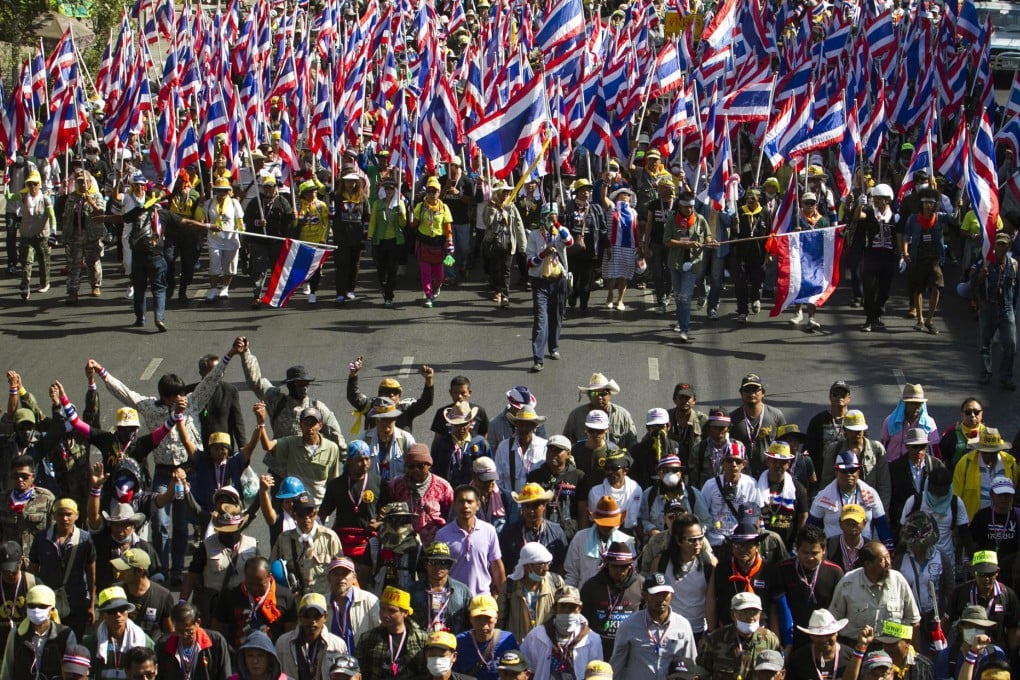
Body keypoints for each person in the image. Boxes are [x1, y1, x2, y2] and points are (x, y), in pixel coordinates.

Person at [89, 338, 241, 585]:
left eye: (182, 394)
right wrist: (102, 372)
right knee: (160, 521)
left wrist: (230, 353)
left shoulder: (193, 402)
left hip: (189, 473)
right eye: (176, 396)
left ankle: (178, 571)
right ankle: (159, 568)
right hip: (163, 474)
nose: (181, 398)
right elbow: (125, 392)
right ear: (165, 397)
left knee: (182, 525)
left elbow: (211, 380)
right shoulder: (150, 408)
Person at [828, 541, 921, 645]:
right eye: (882, 559)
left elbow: (913, 620)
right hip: (856, 645)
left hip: (891, 647)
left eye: (888, 557)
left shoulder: (898, 580)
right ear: (868, 564)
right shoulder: (848, 583)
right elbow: (833, 621)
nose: (888, 563)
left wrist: (913, 648)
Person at [180, 504, 260, 626]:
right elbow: (192, 576)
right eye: (225, 531)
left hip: (243, 605)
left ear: (240, 528)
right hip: (213, 607)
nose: (229, 534)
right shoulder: (206, 546)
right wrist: (182, 603)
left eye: (233, 530)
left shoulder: (252, 545)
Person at [767, 525, 843, 650]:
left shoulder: (835, 572)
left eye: (815, 553)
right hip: (791, 639)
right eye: (805, 552)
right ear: (797, 550)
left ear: (824, 550)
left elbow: (840, 610)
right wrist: (777, 641)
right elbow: (774, 609)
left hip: (823, 639)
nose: (810, 557)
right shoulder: (782, 569)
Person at [28, 499, 96, 638]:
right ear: (54, 515)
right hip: (47, 601)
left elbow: (92, 574)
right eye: (60, 514)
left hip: (76, 601)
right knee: (49, 639)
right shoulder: (42, 538)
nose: (64, 518)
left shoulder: (85, 539)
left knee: (74, 640)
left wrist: (91, 605)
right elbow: (32, 570)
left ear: (76, 515)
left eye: (68, 514)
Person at [609, 573, 697, 679]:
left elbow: (690, 665)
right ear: (644, 595)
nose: (661, 599)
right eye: (656, 594)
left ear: (671, 595)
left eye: (665, 594)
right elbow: (617, 665)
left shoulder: (683, 625)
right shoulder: (629, 625)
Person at [318, 442, 383, 586]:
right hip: (342, 543)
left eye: (367, 459)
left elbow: (389, 514)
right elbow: (322, 514)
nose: (364, 463)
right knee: (343, 581)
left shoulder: (378, 483)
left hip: (367, 543)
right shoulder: (336, 485)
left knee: (363, 584)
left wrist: (378, 523)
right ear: (349, 461)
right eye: (359, 460)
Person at [259, 404, 343, 507]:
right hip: (295, 508)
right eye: (306, 424)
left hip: (318, 508)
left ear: (320, 426)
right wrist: (261, 423)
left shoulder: (332, 448)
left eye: (313, 424)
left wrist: (329, 506)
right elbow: (268, 446)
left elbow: (333, 481)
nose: (309, 428)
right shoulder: (291, 443)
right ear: (300, 425)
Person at [212, 556, 299, 651]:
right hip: (237, 654)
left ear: (269, 577)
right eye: (250, 584)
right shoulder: (231, 594)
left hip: (274, 654)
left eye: (260, 585)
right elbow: (217, 628)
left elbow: (290, 635)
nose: (254, 588)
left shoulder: (285, 596)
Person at [519, 585, 603, 680]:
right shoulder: (536, 636)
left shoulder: (592, 639)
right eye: (563, 606)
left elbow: (596, 674)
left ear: (579, 608)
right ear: (555, 607)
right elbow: (525, 669)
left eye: (572, 607)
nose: (567, 611)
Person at [817, 410, 892, 515]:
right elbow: (826, 483)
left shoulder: (877, 449)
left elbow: (884, 486)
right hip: (840, 508)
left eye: (859, 430)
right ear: (845, 430)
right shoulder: (833, 450)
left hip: (869, 508)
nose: (856, 433)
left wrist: (881, 513)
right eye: (852, 430)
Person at [808, 451, 892, 545]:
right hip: (833, 549)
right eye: (844, 471)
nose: (848, 474)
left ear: (858, 472)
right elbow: (811, 527)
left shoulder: (871, 494)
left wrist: (889, 547)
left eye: (852, 470)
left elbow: (882, 525)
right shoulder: (823, 496)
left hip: (863, 549)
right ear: (836, 472)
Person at [436, 485, 506, 597]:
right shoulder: (443, 534)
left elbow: (496, 565)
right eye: (461, 501)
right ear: (454, 505)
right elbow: (437, 570)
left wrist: (502, 597)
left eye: (470, 502)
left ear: (477, 505)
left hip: (482, 598)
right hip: (453, 598)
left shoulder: (489, 531)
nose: (465, 506)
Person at [526, 204, 573, 371]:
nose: (550, 219)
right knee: (541, 319)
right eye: (548, 216)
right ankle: (538, 359)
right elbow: (529, 262)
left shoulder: (561, 231)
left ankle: (553, 346)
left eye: (554, 216)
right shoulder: (534, 235)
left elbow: (569, 241)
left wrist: (558, 225)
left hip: (559, 280)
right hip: (540, 281)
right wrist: (542, 255)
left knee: (557, 315)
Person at [665, 191, 715, 342]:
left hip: (693, 264)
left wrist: (710, 241)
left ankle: (684, 329)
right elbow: (666, 241)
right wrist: (685, 244)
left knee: (686, 298)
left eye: (692, 207)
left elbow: (707, 236)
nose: (689, 210)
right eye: (686, 207)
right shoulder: (672, 220)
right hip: (675, 263)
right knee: (678, 297)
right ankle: (680, 321)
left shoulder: (699, 219)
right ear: (680, 206)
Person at [270, 495, 344, 596]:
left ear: (316, 514)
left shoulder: (329, 537)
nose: (307, 518)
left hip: (324, 598)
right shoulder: (284, 539)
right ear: (294, 515)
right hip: (297, 599)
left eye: (311, 514)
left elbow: (340, 570)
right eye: (301, 514)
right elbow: (272, 569)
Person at [707, 509, 769, 629]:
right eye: (737, 545)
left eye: (747, 545)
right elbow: (712, 601)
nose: (742, 549)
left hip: (760, 629)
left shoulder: (767, 570)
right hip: (728, 629)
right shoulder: (722, 569)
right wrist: (711, 631)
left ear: (757, 546)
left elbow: (774, 607)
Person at [894, 512, 952, 640]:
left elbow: (950, 591)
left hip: (935, 619)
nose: (918, 547)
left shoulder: (941, 557)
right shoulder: (900, 559)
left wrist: (946, 619)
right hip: (907, 620)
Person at [579, 541, 643, 657]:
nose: (619, 571)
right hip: (598, 650)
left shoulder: (641, 585)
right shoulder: (591, 586)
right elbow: (582, 619)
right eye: (614, 566)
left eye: (623, 567)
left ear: (630, 566)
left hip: (630, 650)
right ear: (607, 564)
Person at [948, 551, 1020, 652]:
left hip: (996, 654)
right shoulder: (960, 593)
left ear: (997, 572)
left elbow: (1013, 629)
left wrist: (1013, 656)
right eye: (981, 574)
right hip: (965, 651)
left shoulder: (1008, 595)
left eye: (990, 574)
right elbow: (947, 622)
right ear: (973, 572)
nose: (986, 578)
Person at [901, 189, 951, 335]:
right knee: (918, 289)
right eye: (926, 202)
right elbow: (906, 236)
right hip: (918, 258)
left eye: (931, 203)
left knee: (937, 287)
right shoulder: (913, 219)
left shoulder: (939, 218)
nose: (928, 205)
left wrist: (959, 207)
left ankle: (930, 320)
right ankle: (920, 320)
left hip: (935, 260)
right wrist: (905, 251)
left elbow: (954, 219)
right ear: (921, 204)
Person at [0, 584, 75, 680]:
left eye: (42, 606)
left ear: (52, 609)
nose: (36, 610)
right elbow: (7, 671)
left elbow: (71, 674)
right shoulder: (16, 633)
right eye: (31, 605)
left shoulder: (65, 635)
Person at [699, 592, 781, 680]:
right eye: (744, 612)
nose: (750, 617)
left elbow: (778, 673)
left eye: (754, 612)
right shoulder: (716, 638)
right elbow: (702, 672)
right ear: (732, 615)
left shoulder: (770, 640)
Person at [856, 183, 903, 332]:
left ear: (887, 200)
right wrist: (859, 205)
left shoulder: (895, 217)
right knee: (869, 288)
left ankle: (878, 314)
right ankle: (869, 318)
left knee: (884, 289)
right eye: (874, 198)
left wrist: (902, 255)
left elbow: (899, 236)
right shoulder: (870, 213)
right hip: (872, 255)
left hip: (888, 257)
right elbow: (858, 216)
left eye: (878, 198)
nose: (875, 200)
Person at [354, 586, 428, 680]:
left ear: (405, 613)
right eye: (382, 608)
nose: (385, 614)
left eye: (392, 611)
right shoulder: (368, 638)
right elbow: (358, 671)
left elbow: (427, 672)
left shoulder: (421, 638)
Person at [387, 443, 454, 548]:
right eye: (411, 466)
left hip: (435, 543)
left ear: (429, 465)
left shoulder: (443, 486)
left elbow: (451, 515)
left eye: (420, 466)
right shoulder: (396, 485)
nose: (415, 470)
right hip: (404, 544)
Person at [82, 586, 155, 679]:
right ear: (103, 614)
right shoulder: (91, 644)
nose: (118, 614)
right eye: (112, 611)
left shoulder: (144, 641)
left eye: (122, 609)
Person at [497, 542, 564, 643]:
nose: (546, 569)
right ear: (527, 565)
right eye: (541, 564)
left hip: (545, 646)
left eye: (548, 563)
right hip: (517, 646)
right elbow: (499, 619)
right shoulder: (510, 587)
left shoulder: (556, 583)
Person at [347, 361, 435, 436]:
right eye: (386, 392)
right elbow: (353, 397)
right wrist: (353, 375)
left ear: (399, 396)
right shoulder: (371, 406)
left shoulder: (406, 409)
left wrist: (429, 381)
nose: (391, 395)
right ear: (379, 394)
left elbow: (426, 402)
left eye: (395, 392)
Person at [274, 592, 349, 680]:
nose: (312, 621)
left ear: (325, 617)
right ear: (300, 617)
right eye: (307, 616)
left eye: (317, 616)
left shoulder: (338, 644)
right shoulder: (283, 643)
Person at [700, 446, 766, 547]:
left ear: (743, 464)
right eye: (729, 461)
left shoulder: (751, 484)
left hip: (740, 541)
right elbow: (701, 514)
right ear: (723, 462)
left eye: (738, 461)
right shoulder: (710, 485)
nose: (734, 465)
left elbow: (757, 513)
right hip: (714, 541)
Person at [564, 496, 635, 587]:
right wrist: (571, 593)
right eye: (604, 524)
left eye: (611, 525)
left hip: (616, 593)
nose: (607, 527)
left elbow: (631, 572)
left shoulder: (626, 541)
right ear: (596, 521)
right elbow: (571, 574)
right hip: (585, 593)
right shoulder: (580, 538)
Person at [952, 428, 1020, 519]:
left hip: (1003, 520)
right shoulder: (965, 463)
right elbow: (956, 494)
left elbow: (1014, 488)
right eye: (985, 452)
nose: (989, 456)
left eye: (993, 453)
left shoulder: (1010, 463)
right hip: (972, 520)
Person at [887, 428, 945, 535]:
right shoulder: (895, 468)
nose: (919, 450)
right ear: (907, 447)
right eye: (914, 446)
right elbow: (891, 497)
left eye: (922, 446)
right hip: (904, 523)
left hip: (931, 522)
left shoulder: (937, 465)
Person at [501, 484, 568, 576]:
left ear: (544, 505)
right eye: (526, 506)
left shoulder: (557, 532)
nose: (531, 511)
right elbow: (503, 564)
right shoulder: (509, 532)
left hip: (549, 583)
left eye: (535, 506)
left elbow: (562, 565)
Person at [61, 169, 106, 304]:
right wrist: (65, 235)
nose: (81, 184)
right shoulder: (72, 197)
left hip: (92, 235)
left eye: (84, 182)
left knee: (93, 262)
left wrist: (91, 202)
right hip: (75, 235)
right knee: (74, 264)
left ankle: (95, 285)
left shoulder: (96, 195)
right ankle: (73, 291)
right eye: (79, 182)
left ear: (90, 182)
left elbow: (101, 213)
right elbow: (65, 216)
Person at [728, 374, 786, 476]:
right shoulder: (732, 418)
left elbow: (785, 445)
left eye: (755, 390)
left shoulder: (776, 416)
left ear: (763, 393)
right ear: (741, 393)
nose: (751, 393)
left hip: (769, 474)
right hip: (741, 474)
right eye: (747, 390)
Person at [156, 602, 232, 680]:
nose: (184, 635)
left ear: (198, 622)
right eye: (179, 631)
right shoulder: (164, 645)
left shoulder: (216, 641)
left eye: (188, 631)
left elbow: (225, 674)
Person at [563, 373, 637, 451]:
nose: (599, 397)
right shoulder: (576, 416)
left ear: (610, 394)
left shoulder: (623, 415)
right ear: (589, 396)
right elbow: (566, 444)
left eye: (603, 393)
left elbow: (632, 444)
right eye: (594, 393)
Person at [731, 187, 773, 324]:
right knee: (741, 284)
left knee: (757, 280)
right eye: (748, 198)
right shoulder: (739, 212)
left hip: (759, 254)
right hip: (741, 254)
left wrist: (769, 253)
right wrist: (734, 225)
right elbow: (733, 235)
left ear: (758, 199)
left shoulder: (764, 212)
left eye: (753, 198)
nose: (750, 200)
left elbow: (769, 233)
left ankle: (755, 297)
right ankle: (742, 311)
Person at [110, 549, 174, 638]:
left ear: (140, 571)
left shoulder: (163, 596)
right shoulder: (115, 591)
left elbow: (169, 632)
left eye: (125, 569)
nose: (119, 572)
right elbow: (104, 623)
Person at [409, 543, 471, 634]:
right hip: (422, 641)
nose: (438, 567)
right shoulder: (411, 590)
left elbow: (469, 624)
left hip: (453, 641)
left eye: (443, 563)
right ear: (425, 564)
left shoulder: (463, 592)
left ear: (449, 565)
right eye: (433, 562)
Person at [198, 177, 244, 301]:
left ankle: (225, 288)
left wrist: (242, 234)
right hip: (214, 240)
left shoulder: (234, 203)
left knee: (230, 267)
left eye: (224, 190)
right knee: (214, 265)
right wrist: (200, 203)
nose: (222, 193)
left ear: (229, 191)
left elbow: (240, 221)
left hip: (231, 239)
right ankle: (213, 290)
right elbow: (199, 217)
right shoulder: (209, 203)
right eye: (219, 190)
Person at [756, 441, 808, 549]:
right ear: (768, 461)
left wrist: (797, 541)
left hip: (788, 546)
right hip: (760, 544)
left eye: (783, 462)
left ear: (788, 464)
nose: (778, 465)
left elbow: (803, 516)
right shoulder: (755, 484)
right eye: (774, 461)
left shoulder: (798, 488)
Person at [453, 594, 518, 680]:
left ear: (496, 618)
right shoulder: (460, 641)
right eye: (478, 617)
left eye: (488, 618)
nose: (483, 623)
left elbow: (517, 671)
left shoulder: (508, 640)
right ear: (470, 618)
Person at [970, 477, 1020, 588]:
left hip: (1011, 571)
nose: (1004, 499)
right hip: (985, 570)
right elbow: (972, 541)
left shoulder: (1017, 515)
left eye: (1007, 495)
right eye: (1000, 495)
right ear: (992, 495)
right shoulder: (981, 516)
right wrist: (968, 561)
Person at [933, 605, 1007, 680]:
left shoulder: (995, 653)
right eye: (970, 626)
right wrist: (973, 653)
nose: (975, 630)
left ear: (985, 629)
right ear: (961, 627)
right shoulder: (947, 655)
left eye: (979, 627)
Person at [324, 557, 381, 651]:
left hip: (362, 658)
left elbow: (381, 631)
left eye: (345, 573)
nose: (340, 578)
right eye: (336, 574)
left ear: (354, 577)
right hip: (331, 658)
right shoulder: (322, 603)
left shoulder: (370, 601)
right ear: (329, 578)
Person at [331, 172, 370, 303]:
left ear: (357, 183)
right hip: (342, 237)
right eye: (347, 181)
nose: (350, 184)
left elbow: (367, 217)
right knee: (341, 265)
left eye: (352, 181)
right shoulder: (337, 197)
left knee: (354, 265)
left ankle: (350, 289)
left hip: (357, 237)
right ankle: (340, 293)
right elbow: (332, 216)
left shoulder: (363, 198)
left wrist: (365, 236)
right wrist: (330, 201)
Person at [599, 185, 639, 310]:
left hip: (629, 247)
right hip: (613, 246)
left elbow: (636, 229)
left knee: (624, 275)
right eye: (623, 194)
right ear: (617, 196)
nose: (626, 196)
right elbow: (603, 197)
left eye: (628, 195)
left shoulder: (634, 212)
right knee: (612, 274)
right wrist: (605, 184)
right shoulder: (612, 207)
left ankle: (620, 299)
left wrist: (640, 247)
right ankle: (610, 294)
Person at [16, 168, 53, 301]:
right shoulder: (24, 197)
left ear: (39, 185)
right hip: (26, 235)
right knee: (26, 261)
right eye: (30, 184)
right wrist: (7, 191)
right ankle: (25, 286)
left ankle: (44, 283)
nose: (33, 186)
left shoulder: (45, 199)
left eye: (35, 184)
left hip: (41, 236)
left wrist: (54, 232)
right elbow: (12, 196)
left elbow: (52, 216)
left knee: (43, 261)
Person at [879, 383, 939, 464]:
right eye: (911, 403)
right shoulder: (890, 421)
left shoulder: (929, 423)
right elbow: (883, 447)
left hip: (918, 467)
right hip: (893, 466)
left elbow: (934, 451)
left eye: (918, 404)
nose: (915, 407)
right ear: (904, 404)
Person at [362, 397, 417, 483]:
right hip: (373, 490)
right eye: (381, 419)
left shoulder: (406, 439)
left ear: (395, 419)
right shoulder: (364, 440)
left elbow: (415, 470)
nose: (385, 423)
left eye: (389, 419)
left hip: (398, 490)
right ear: (375, 420)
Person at [804, 380, 854, 475]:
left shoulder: (855, 420)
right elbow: (808, 450)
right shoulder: (818, 421)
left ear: (849, 398)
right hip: (822, 475)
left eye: (843, 394)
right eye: (835, 394)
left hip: (848, 473)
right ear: (830, 397)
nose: (839, 397)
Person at [786, 609, 848, 679]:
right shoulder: (798, 658)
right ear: (811, 636)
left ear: (836, 633)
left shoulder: (851, 658)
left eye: (829, 634)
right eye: (819, 636)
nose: (824, 639)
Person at [630, 408, 680, 491]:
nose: (658, 431)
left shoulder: (676, 447)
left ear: (668, 426)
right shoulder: (637, 449)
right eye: (653, 427)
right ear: (647, 428)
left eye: (661, 426)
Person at [938, 397, 985, 467]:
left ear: (981, 414)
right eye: (968, 412)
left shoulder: (989, 434)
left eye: (976, 412)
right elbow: (939, 460)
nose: (972, 415)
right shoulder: (950, 436)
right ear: (962, 414)